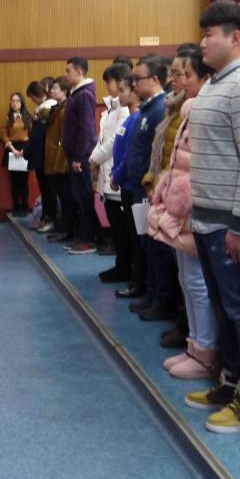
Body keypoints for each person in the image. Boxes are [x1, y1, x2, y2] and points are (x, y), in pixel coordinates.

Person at [185, 0, 240, 434]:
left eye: (209, 35)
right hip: (208, 221)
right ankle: (231, 382)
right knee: (223, 308)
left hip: (233, 225)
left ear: (235, 38)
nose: (202, 43)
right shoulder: (215, 84)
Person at [147, 49, 218, 379]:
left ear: (205, 78)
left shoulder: (205, 109)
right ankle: (194, 345)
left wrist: (180, 198)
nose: (179, 81)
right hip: (179, 205)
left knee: (198, 282)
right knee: (187, 279)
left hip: (194, 205)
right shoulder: (187, 107)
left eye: (186, 75)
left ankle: (206, 350)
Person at [124, 56, 174, 320]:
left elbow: (161, 154)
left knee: (157, 247)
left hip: (151, 191)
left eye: (138, 79)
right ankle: (152, 295)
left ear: (155, 79)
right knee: (147, 245)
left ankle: (162, 301)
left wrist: (152, 184)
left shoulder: (159, 109)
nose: (134, 84)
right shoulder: (146, 109)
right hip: (139, 189)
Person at [90, 63, 132, 281]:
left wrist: (95, 159)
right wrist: (94, 158)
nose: (107, 86)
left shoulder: (124, 110)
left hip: (116, 171)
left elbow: (115, 141)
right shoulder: (111, 108)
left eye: (110, 82)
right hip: (107, 171)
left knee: (123, 227)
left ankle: (126, 266)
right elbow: (102, 139)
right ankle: (121, 264)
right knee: (115, 224)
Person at [61, 57, 99, 255]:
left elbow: (86, 129)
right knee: (78, 197)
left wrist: (79, 157)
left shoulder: (84, 95)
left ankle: (88, 239)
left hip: (80, 157)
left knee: (84, 198)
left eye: (69, 71)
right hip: (75, 155)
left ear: (79, 71)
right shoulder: (76, 94)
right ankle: (82, 235)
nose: (66, 74)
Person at [109, 73, 142, 293]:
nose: (119, 95)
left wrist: (117, 175)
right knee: (131, 233)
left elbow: (131, 154)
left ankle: (139, 282)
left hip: (132, 185)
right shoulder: (129, 118)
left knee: (138, 237)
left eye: (122, 90)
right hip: (125, 184)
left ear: (134, 91)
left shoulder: (138, 118)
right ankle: (134, 277)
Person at [44, 79, 73, 244]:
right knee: (62, 196)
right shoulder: (56, 108)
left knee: (66, 197)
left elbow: (64, 138)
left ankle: (67, 230)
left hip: (60, 161)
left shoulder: (65, 109)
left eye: (55, 88)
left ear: (64, 91)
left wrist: (60, 163)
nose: (52, 91)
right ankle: (63, 228)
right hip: (54, 158)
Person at [24, 81, 53, 230]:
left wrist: (26, 151)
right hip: (40, 154)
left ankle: (49, 218)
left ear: (35, 95)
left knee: (48, 190)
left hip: (44, 155)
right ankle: (45, 217)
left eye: (32, 97)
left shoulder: (47, 107)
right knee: (44, 189)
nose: (32, 100)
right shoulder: (41, 107)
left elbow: (38, 135)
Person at [2, 92, 33, 216]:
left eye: (17, 101)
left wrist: (26, 149)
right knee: (14, 180)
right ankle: (16, 206)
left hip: (25, 148)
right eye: (12, 101)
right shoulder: (8, 117)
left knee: (24, 180)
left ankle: (25, 206)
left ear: (22, 103)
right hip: (12, 149)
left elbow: (32, 134)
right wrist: (12, 148)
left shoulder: (28, 117)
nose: (14, 103)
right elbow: (4, 135)